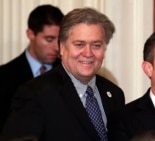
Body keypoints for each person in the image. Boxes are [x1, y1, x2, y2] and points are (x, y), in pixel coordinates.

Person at [0, 7, 125, 141]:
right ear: (62, 48)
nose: (88, 53)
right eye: (79, 44)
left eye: (96, 45)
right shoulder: (34, 94)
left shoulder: (114, 94)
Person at [0, 4, 64, 133]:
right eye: (49, 39)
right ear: (30, 34)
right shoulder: (3, 76)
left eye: (60, 40)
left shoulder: (69, 72)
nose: (57, 47)